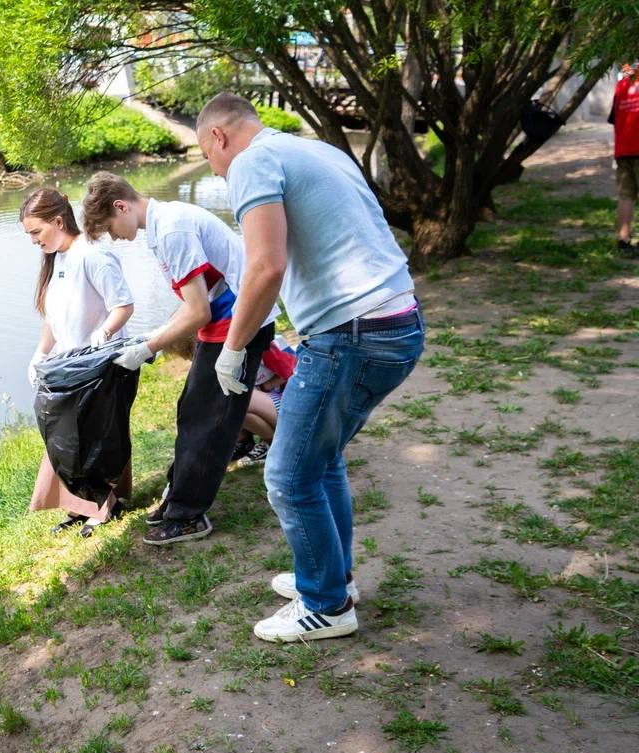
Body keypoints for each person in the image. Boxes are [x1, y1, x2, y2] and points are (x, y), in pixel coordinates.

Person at [195, 92, 425, 643]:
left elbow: (265, 267)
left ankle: (325, 605)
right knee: (320, 459)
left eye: (207, 157)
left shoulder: (250, 163)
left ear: (219, 136)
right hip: (398, 321)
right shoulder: (316, 149)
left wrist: (233, 349)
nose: (216, 170)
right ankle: (332, 578)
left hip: (351, 335)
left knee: (287, 474)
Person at [80, 172, 279, 546]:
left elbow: (198, 311)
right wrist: (153, 335)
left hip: (238, 325)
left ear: (121, 207)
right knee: (194, 413)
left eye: (109, 228)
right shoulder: (164, 224)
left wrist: (147, 349)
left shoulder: (172, 229)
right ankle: (178, 500)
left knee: (207, 421)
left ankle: (188, 515)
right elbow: (194, 303)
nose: (114, 237)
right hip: (226, 322)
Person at [21, 187, 135, 537]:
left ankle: (104, 505)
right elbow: (53, 319)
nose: (33, 241)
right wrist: (40, 354)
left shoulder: (93, 255)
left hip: (105, 365)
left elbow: (123, 305)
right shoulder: (56, 259)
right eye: (29, 235)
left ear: (58, 221)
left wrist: (105, 332)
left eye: (36, 232)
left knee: (95, 438)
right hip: (71, 365)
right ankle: (80, 505)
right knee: (65, 436)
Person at [229, 334, 296, 469]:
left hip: (290, 401)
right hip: (269, 401)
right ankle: (248, 443)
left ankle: (274, 444)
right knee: (234, 404)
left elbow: (293, 371)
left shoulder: (263, 346)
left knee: (239, 400)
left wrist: (264, 387)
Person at [610, 63, 639, 256]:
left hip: (624, 149)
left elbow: (614, 117)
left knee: (626, 196)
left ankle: (623, 240)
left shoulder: (622, 83)